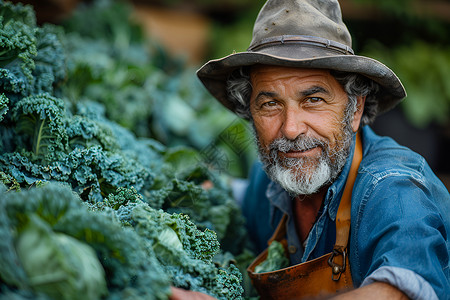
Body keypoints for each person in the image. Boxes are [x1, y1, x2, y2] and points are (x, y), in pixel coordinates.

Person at [173, 0, 450, 299]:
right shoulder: (271, 179)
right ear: (249, 113)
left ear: (354, 110)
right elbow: (236, 197)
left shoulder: (392, 188)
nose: (291, 129)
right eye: (270, 104)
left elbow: (397, 292)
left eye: (313, 100)